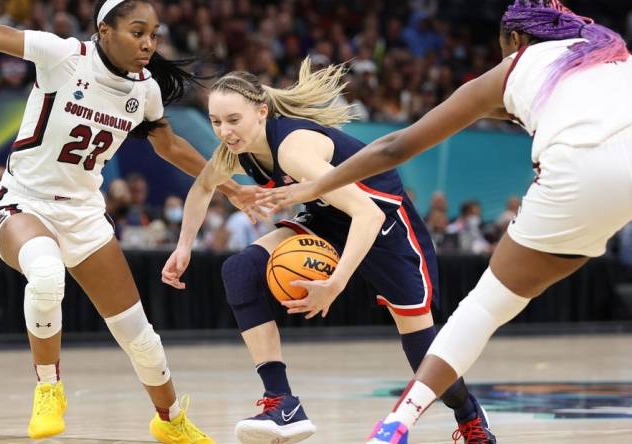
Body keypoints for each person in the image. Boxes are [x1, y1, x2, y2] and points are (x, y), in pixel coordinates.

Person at [259, 1, 632, 442]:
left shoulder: (514, 67)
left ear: (515, 41)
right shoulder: (612, 54)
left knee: (485, 308)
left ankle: (398, 421)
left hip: (577, 171)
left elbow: (394, 147)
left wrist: (310, 188)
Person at [0, 1, 259, 442]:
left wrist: (230, 186)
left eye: (154, 35)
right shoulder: (62, 55)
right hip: (24, 201)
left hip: (84, 214)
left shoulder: (144, 90)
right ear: (105, 30)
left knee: (138, 335)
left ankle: (171, 421)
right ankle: (49, 388)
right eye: (137, 32)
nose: (148, 43)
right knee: (46, 276)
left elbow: (170, 145)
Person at [161, 59, 494, 444]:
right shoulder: (235, 150)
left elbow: (365, 213)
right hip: (328, 223)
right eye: (216, 122)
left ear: (261, 111)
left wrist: (335, 283)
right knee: (240, 269)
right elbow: (203, 188)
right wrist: (183, 246)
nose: (224, 131)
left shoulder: (292, 150)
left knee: (424, 357)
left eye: (233, 120)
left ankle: (469, 414)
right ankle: (281, 401)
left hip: (387, 229)